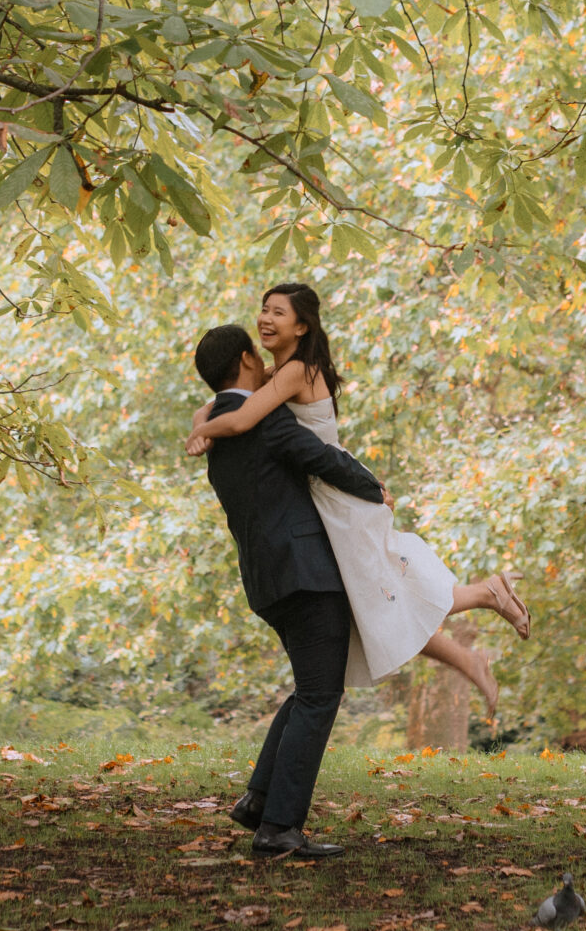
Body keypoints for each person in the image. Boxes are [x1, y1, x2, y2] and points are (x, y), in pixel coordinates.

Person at [188, 283, 531, 714]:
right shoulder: (279, 375)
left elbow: (238, 419)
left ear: (302, 326)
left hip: (336, 493)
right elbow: (222, 403)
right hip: (323, 494)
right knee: (373, 600)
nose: (266, 320)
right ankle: (478, 626)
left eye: (278, 313)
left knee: (378, 592)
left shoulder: (295, 372)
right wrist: (202, 415)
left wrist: (200, 431)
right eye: (264, 310)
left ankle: (485, 597)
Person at [189, 319, 385, 859]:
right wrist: (375, 489)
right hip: (306, 576)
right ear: (249, 360)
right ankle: (278, 827)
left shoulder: (216, 430)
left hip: (267, 580)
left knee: (308, 689)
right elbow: (320, 457)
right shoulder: (263, 420)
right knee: (320, 696)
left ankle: (258, 801)